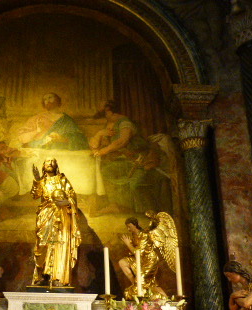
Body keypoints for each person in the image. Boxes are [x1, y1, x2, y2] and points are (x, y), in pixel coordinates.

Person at [90, 100, 171, 215]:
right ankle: (115, 205)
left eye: (100, 105)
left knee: (135, 184)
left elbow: (122, 141)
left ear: (107, 108)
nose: (97, 107)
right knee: (105, 171)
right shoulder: (108, 124)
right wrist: (99, 134)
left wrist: (103, 151)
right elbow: (95, 144)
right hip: (123, 161)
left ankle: (151, 212)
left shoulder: (124, 122)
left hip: (139, 160)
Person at [31, 158, 81, 286]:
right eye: (47, 162)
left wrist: (66, 202)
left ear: (56, 166)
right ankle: (42, 276)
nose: (49, 164)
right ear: (43, 166)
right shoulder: (42, 181)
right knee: (42, 245)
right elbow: (35, 195)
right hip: (45, 215)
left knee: (60, 244)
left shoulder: (62, 180)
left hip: (62, 215)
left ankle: (57, 277)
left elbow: (72, 196)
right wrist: (37, 180)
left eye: (52, 162)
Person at [17, 93, 89, 150]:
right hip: (40, 149)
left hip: (60, 149)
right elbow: (22, 137)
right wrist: (37, 131)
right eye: (45, 99)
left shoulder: (66, 119)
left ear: (57, 100)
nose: (47, 100)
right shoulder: (37, 118)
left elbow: (79, 139)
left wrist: (62, 139)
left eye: (50, 97)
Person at [119, 216, 168, 299]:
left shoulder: (144, 235)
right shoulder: (134, 235)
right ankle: (136, 285)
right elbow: (134, 252)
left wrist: (128, 244)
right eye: (127, 227)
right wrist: (130, 243)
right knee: (122, 262)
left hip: (149, 260)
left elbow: (137, 252)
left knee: (145, 281)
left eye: (129, 227)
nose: (128, 229)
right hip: (139, 259)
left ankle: (163, 297)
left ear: (135, 225)